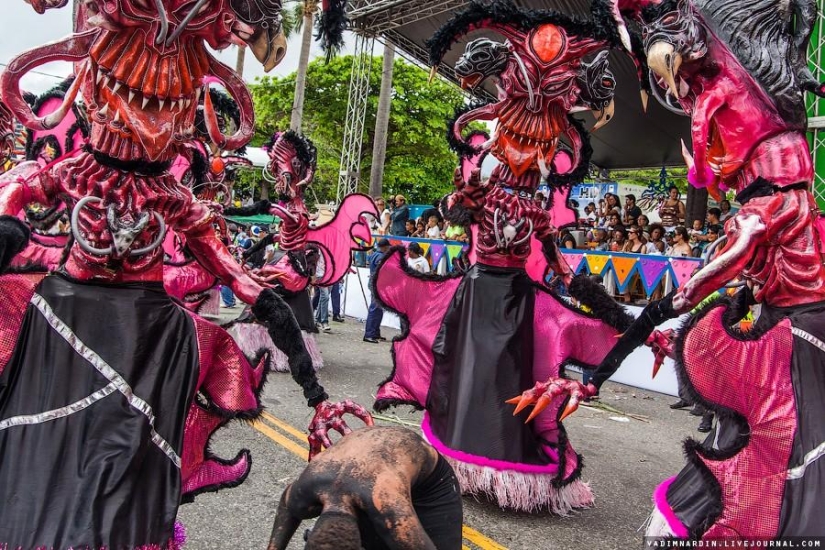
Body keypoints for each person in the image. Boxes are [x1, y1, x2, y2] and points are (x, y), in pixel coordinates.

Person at [267, 426, 463, 550]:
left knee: (400, 539)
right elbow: (285, 507)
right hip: (368, 464)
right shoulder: (301, 496)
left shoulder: (389, 509)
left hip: (428, 484)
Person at [363, 239, 390, 344]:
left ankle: (375, 333)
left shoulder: (374, 254)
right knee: (374, 309)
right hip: (377, 285)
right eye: (388, 247)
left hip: (375, 283)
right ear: (385, 247)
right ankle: (369, 334)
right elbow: (383, 272)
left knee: (378, 309)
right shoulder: (380, 257)